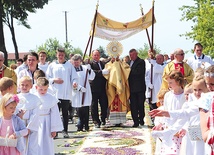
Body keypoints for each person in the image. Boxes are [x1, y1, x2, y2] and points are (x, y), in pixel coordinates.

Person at [46, 47, 78, 138]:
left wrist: (74, 82)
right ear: (56, 55)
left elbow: (74, 77)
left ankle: (65, 130)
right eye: (59, 55)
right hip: (55, 93)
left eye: (62, 55)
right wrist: (54, 80)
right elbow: (47, 78)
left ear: (64, 55)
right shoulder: (52, 65)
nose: (60, 56)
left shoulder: (69, 65)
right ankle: (54, 132)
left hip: (65, 93)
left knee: (65, 113)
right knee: (55, 113)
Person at [152, 70, 186, 154]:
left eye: (171, 82)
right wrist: (161, 124)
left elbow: (185, 114)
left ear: (178, 81)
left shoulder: (185, 95)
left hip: (180, 129)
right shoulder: (168, 95)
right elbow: (165, 112)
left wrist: (181, 128)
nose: (168, 85)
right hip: (169, 127)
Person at [35, 77, 63, 154]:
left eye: (45, 89)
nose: (43, 91)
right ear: (36, 87)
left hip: (47, 122)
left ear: (48, 87)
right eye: (41, 89)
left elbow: (55, 114)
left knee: (46, 141)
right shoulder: (33, 97)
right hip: (35, 122)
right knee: (36, 141)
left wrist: (54, 129)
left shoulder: (51, 98)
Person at [16, 76, 41, 155]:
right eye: (22, 85)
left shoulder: (35, 98)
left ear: (31, 86)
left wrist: (29, 128)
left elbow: (36, 114)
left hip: (31, 127)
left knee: (32, 148)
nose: (24, 87)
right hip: (19, 126)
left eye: (27, 85)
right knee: (20, 147)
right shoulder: (15, 98)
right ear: (19, 85)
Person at [103, 56, 130, 126]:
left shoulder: (122, 63)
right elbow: (105, 73)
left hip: (121, 86)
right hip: (111, 87)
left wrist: (119, 63)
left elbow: (127, 69)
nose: (114, 58)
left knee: (121, 102)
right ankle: (113, 121)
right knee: (112, 103)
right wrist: (113, 63)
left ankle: (121, 121)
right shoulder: (108, 65)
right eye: (113, 56)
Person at [71, 54, 95, 131]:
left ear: (80, 61)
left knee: (86, 108)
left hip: (86, 90)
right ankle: (80, 124)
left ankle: (86, 125)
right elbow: (71, 81)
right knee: (79, 109)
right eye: (74, 62)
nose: (76, 64)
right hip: (77, 92)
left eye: (77, 62)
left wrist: (90, 70)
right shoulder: (71, 70)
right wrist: (79, 88)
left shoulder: (85, 68)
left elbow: (92, 77)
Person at [90, 49, 108, 128]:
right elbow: (92, 72)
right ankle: (96, 121)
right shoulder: (90, 64)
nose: (96, 56)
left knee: (104, 104)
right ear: (92, 56)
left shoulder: (103, 63)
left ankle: (103, 118)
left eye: (97, 55)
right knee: (94, 105)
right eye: (95, 55)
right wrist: (101, 72)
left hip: (103, 87)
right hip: (94, 87)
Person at [128, 48, 146, 127]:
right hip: (131, 88)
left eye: (133, 55)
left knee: (140, 104)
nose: (131, 57)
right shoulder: (128, 63)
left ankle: (141, 119)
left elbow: (139, 72)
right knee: (133, 105)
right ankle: (135, 121)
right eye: (130, 55)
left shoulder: (141, 62)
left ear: (136, 54)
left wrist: (128, 71)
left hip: (140, 88)